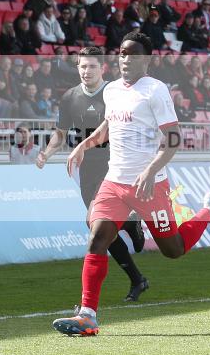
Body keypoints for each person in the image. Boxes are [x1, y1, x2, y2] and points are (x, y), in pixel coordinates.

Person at [51, 32, 210, 336]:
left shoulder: (156, 91)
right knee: (97, 238)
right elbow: (109, 125)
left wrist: (151, 171)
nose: (126, 59)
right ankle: (87, 316)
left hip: (149, 186)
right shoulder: (112, 90)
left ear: (147, 59)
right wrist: (85, 144)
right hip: (114, 182)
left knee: (173, 249)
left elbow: (173, 138)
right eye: (122, 53)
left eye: (133, 55)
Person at [37, 47, 150, 301]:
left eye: (91, 66)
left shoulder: (115, 93)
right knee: (99, 228)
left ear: (103, 68)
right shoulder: (69, 97)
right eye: (82, 66)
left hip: (114, 166)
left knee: (94, 222)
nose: (86, 71)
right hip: (86, 169)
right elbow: (61, 133)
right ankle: (137, 276)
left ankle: (90, 301)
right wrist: (46, 153)